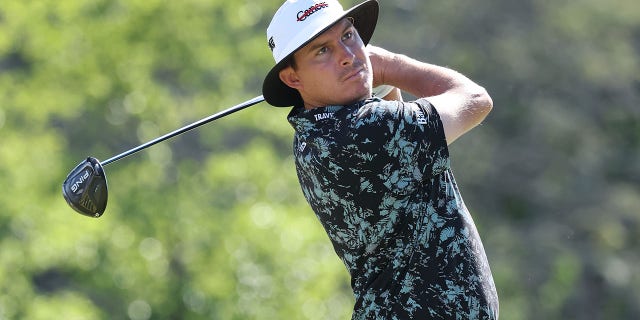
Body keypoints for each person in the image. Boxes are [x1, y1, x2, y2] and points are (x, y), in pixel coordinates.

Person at [262, 0, 499, 319]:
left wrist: (373, 77)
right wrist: (388, 65)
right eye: (322, 51)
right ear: (292, 79)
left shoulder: (313, 133)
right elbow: (475, 99)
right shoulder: (365, 130)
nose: (347, 56)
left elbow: (396, 134)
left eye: (348, 36)